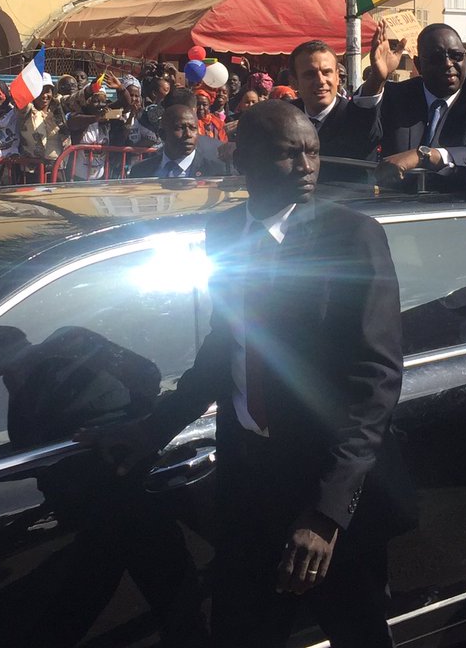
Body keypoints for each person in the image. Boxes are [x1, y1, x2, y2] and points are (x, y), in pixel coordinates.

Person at [83, 101, 410, 647]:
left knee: (357, 633)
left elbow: (376, 380)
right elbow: (225, 349)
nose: (308, 165)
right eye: (290, 154)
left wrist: (328, 514)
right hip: (248, 485)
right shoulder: (225, 232)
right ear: (246, 161)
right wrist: (149, 431)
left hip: (326, 490)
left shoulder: (352, 236)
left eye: (313, 152)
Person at [359, 21, 466, 192]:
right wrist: (376, 80)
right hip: (398, 210)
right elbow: (356, 140)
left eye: (456, 56)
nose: (448, 63)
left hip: (459, 211)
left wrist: (424, 155)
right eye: (436, 58)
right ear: (418, 65)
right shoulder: (395, 95)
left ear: (465, 59)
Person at [290, 40, 374, 182]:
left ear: (337, 77)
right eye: (310, 74)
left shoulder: (357, 118)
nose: (321, 81)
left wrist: (377, 79)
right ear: (294, 82)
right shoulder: (284, 117)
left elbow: (371, 130)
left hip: (347, 202)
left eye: (326, 72)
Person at [128, 97, 230, 179]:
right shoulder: (140, 171)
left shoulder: (218, 171)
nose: (188, 134)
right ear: (162, 134)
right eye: (180, 128)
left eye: (193, 128)